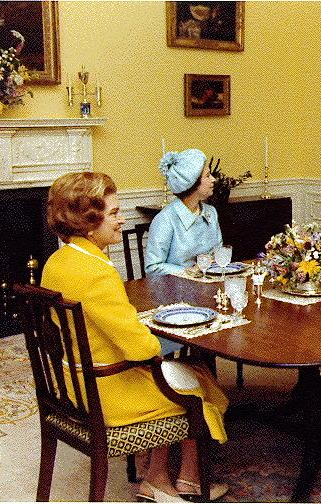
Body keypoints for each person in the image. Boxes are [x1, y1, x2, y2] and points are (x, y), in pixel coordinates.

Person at [41, 172, 229, 502]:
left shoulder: (58, 261)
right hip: (104, 392)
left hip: (72, 385)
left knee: (184, 372)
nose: (122, 220)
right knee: (196, 384)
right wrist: (160, 337)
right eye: (114, 213)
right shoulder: (98, 273)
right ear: (88, 223)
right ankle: (180, 479)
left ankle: (157, 472)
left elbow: (98, 323)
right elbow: (141, 349)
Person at [145, 148, 222, 277]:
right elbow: (152, 267)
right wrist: (188, 272)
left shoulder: (211, 212)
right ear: (193, 183)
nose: (213, 179)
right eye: (207, 175)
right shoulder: (165, 219)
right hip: (176, 287)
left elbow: (218, 254)